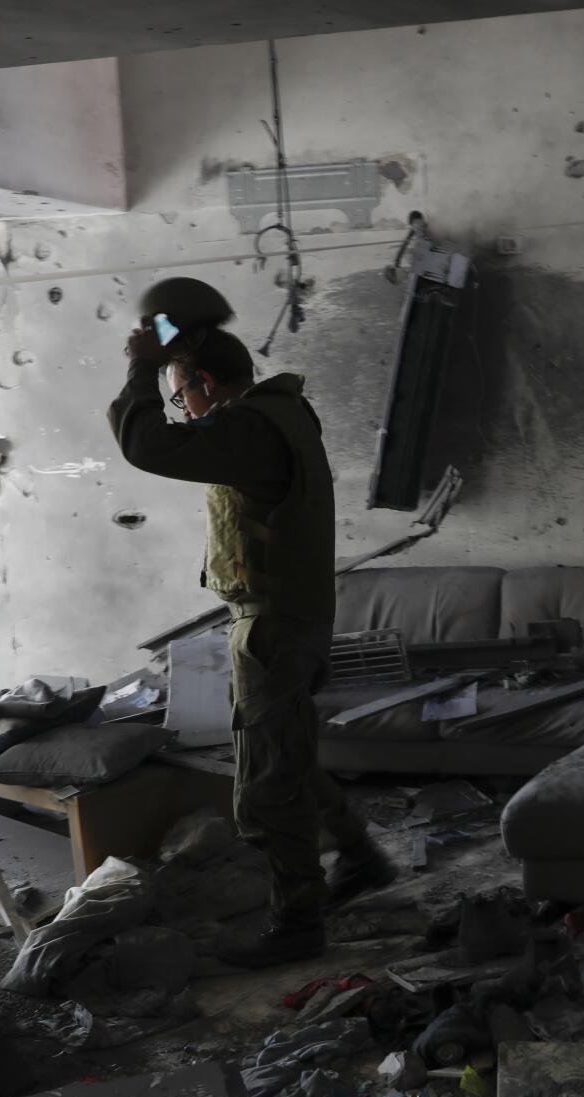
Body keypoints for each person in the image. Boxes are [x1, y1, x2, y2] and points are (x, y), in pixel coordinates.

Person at [109, 308, 392, 967]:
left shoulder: (248, 428)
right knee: (286, 751)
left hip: (272, 626)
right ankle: (360, 855)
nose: (182, 411)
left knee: (264, 785)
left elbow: (145, 443)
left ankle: (296, 922)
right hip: (297, 615)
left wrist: (144, 364)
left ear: (206, 382)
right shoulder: (286, 414)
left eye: (181, 396)